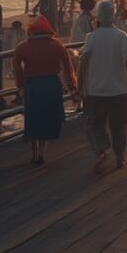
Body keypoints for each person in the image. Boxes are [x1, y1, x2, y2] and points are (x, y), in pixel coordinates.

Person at [79, 0, 127, 172]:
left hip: (96, 90)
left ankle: (102, 149)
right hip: (119, 90)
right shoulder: (121, 36)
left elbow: (84, 62)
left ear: (99, 17)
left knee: (95, 124)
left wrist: (80, 85)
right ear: (113, 16)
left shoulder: (91, 38)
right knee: (119, 127)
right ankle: (120, 157)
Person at [13, 16, 78, 165]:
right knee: (47, 119)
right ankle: (42, 153)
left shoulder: (22, 47)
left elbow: (16, 65)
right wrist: (73, 88)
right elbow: (68, 69)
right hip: (51, 84)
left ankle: (34, 152)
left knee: (33, 118)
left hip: (33, 86)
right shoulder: (57, 46)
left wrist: (20, 85)